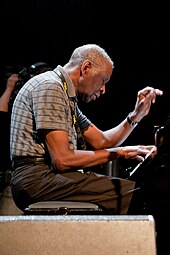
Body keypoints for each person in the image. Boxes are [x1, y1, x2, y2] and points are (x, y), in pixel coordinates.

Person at [10, 44, 163, 215]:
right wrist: (119, 152)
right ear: (86, 68)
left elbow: (102, 141)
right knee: (137, 194)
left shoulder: (65, 94)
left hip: (45, 177)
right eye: (103, 80)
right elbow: (62, 160)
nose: (103, 89)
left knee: (131, 191)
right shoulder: (50, 87)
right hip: (36, 179)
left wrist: (136, 115)